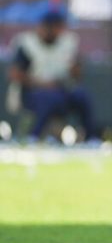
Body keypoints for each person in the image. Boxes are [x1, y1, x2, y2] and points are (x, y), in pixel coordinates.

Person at [7, 9, 99, 143]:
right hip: (32, 92)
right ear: (46, 27)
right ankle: (33, 136)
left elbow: (76, 75)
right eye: (57, 27)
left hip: (60, 90)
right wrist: (41, 84)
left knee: (81, 95)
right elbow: (14, 73)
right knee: (48, 97)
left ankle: (91, 138)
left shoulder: (67, 42)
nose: (60, 31)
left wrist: (75, 68)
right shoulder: (27, 43)